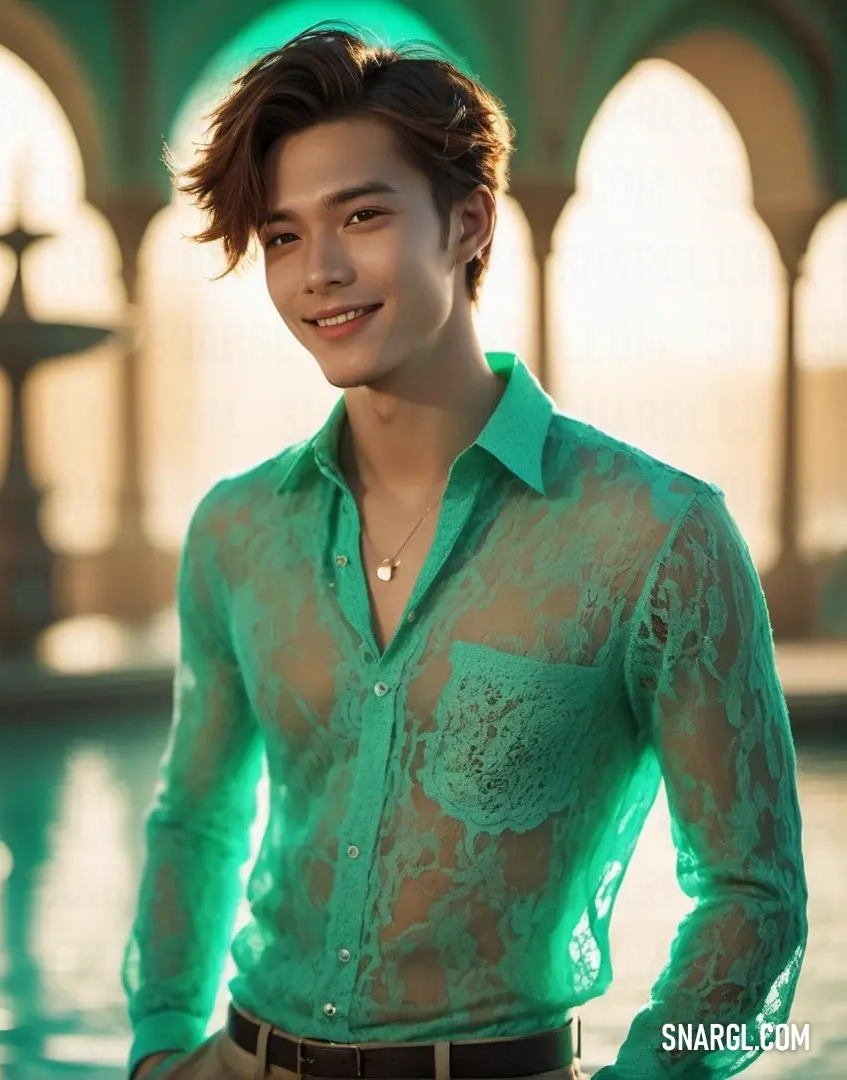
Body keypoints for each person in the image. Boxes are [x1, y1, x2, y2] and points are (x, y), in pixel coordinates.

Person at [122, 23, 808, 1080]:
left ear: (466, 221)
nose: (323, 272)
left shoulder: (657, 536)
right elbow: (197, 818)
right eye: (287, 238)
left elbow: (753, 898)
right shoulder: (235, 531)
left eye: (362, 215)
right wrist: (162, 1045)